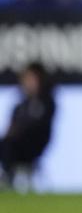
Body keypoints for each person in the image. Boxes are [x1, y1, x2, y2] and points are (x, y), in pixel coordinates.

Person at [0, 63, 56, 193]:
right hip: (14, 144)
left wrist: (19, 132)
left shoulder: (47, 103)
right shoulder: (20, 106)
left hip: (34, 145)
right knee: (6, 144)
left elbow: (40, 127)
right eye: (26, 79)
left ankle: (8, 176)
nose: (28, 83)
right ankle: (8, 175)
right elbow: (11, 126)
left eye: (31, 79)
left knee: (9, 144)